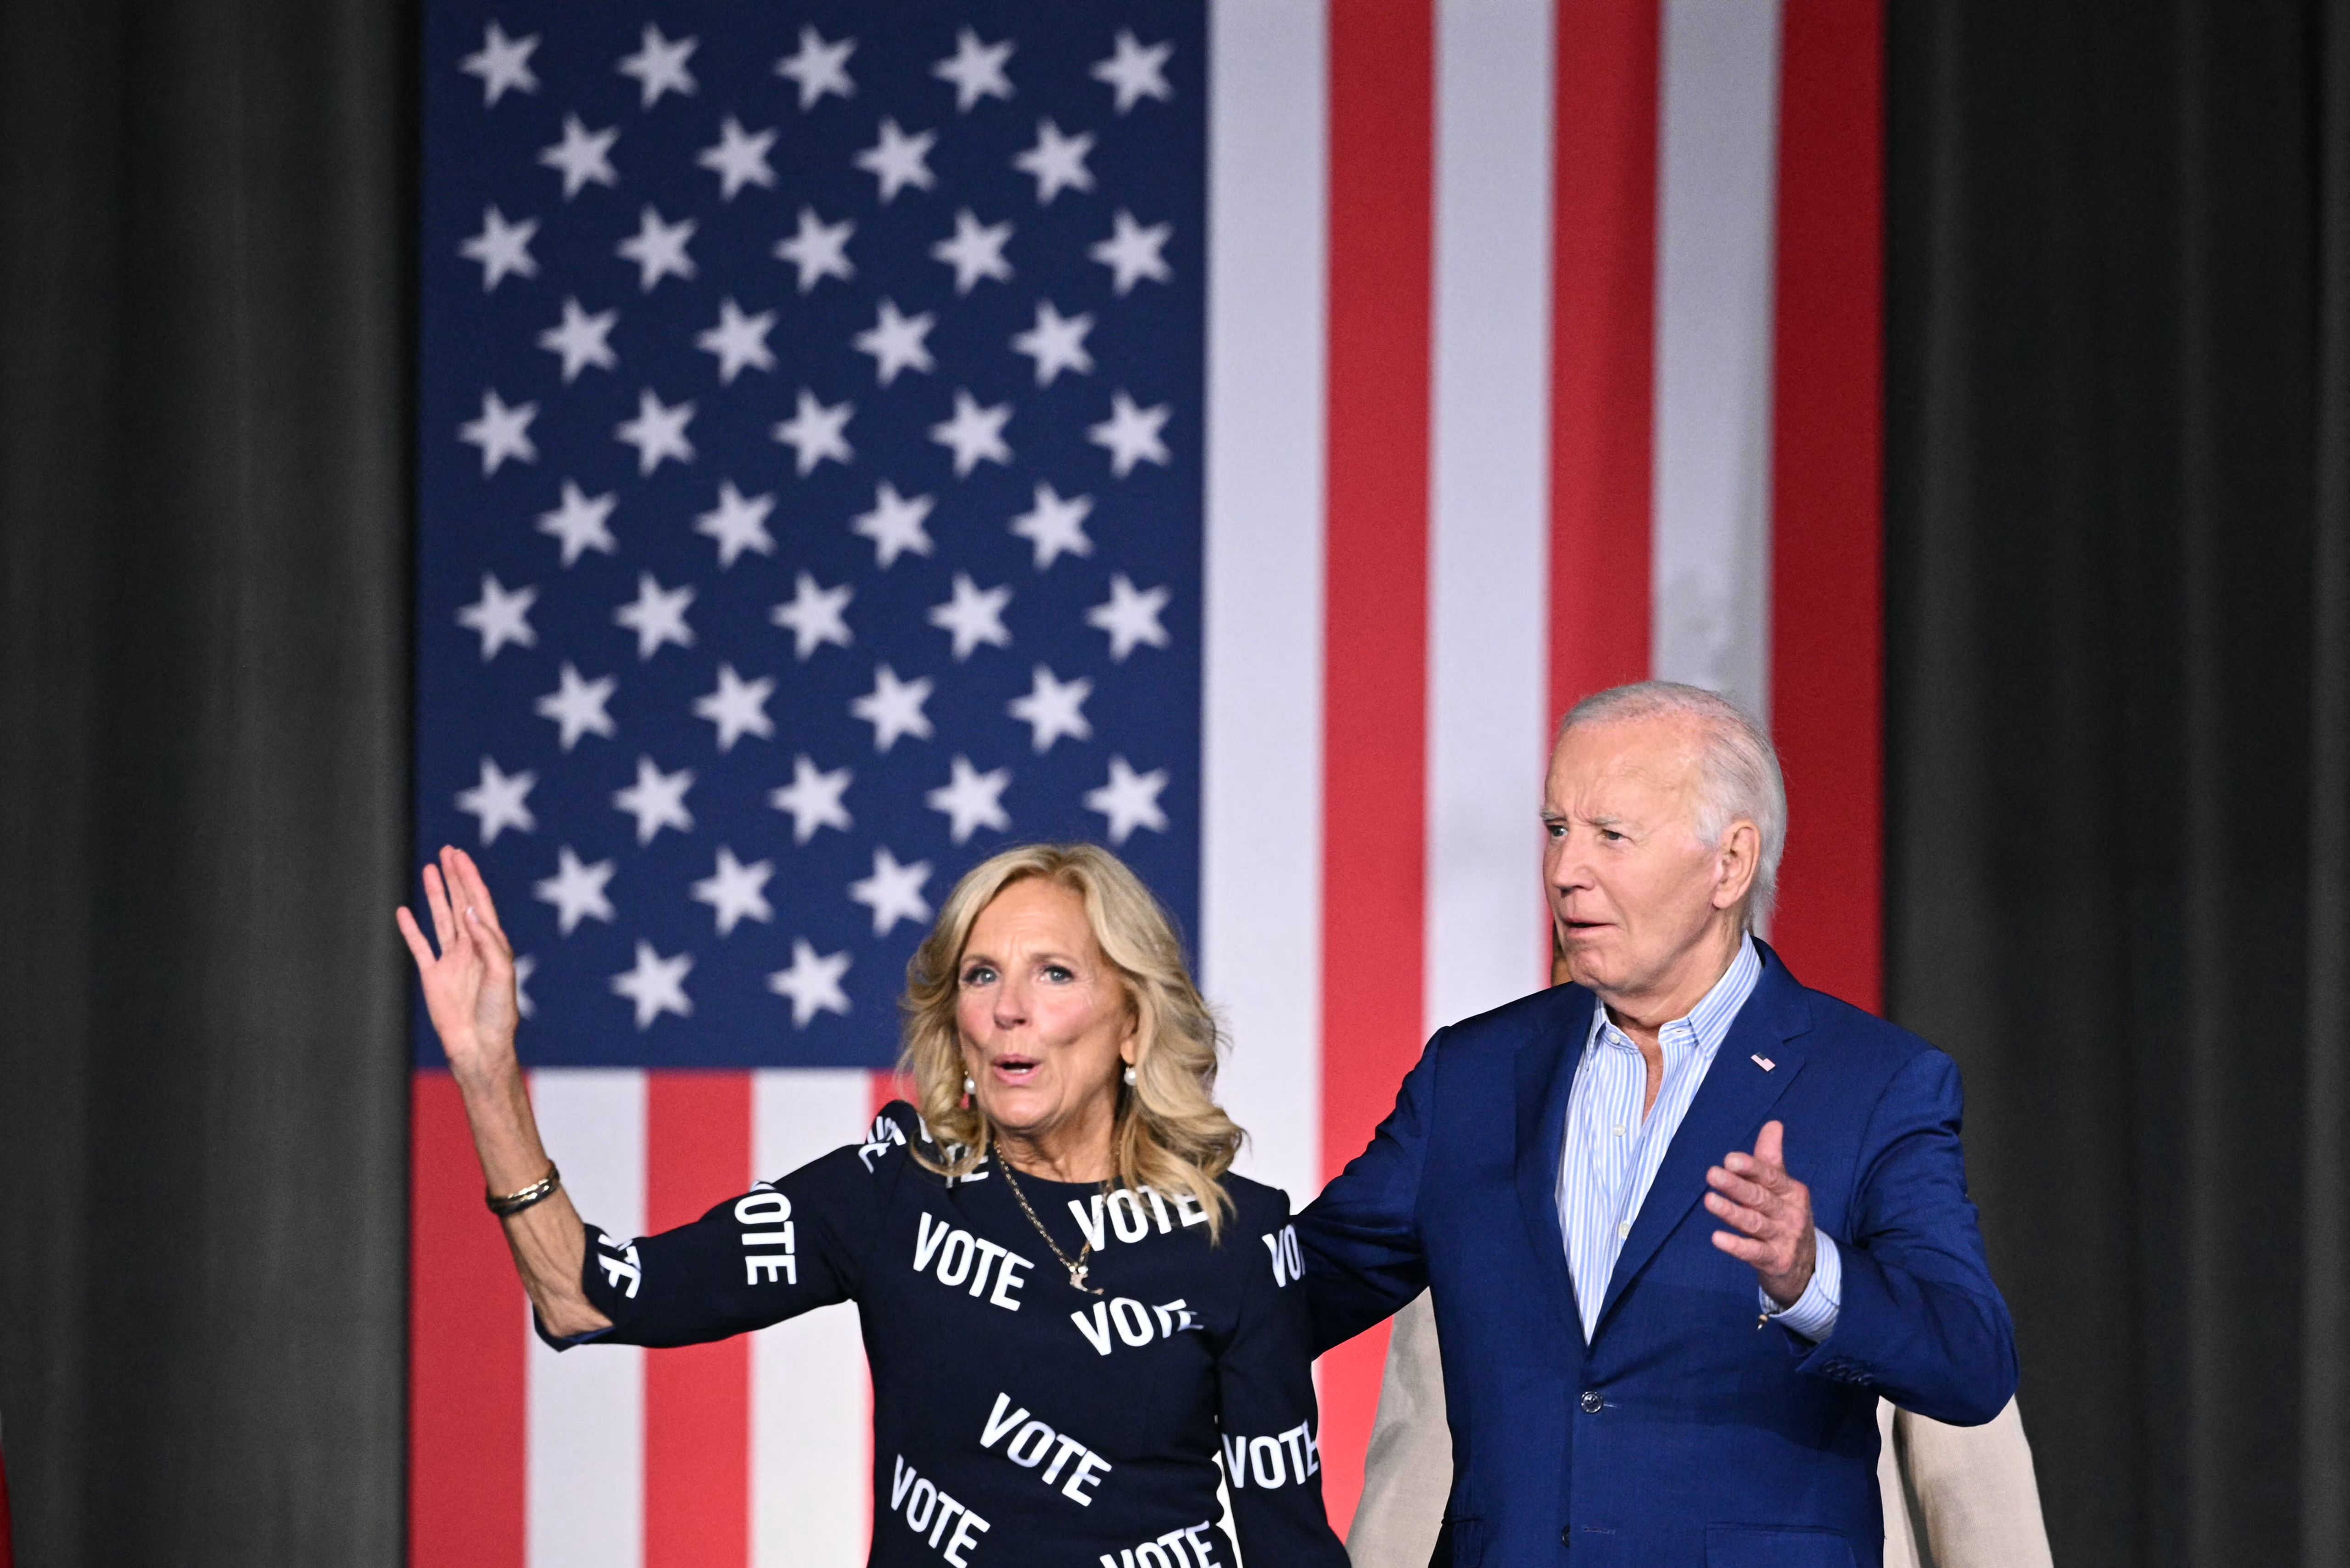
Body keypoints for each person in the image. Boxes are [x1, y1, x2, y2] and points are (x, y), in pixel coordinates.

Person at [398, 840, 1347, 1568]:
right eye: (983, 976)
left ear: (1133, 1022)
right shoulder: (890, 1191)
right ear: (958, 1022)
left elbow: (1288, 1546)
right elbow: (586, 1294)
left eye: (1054, 973)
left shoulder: (1239, 1235)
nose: (1008, 1007)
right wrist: (487, 1074)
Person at [1296, 681, 2017, 1567]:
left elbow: (1971, 1363)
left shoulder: (1875, 1082)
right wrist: (1126, 1265)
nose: (1565, 871)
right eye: (1558, 830)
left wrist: (1811, 1277)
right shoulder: (1475, 1074)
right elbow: (1304, 1285)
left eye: (1611, 836)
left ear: (1730, 864)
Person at [1346, 941, 2055, 1568]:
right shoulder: (1474, 1145)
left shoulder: (1847, 1125)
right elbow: (1408, 1462)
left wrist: (1813, 1278)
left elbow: (1975, 1481)